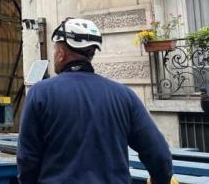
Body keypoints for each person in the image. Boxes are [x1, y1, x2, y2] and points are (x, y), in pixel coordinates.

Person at [17, 18, 174, 184]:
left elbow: (27, 159)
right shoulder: (124, 95)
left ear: (61, 54)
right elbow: (159, 154)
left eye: (55, 50)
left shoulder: (40, 94)